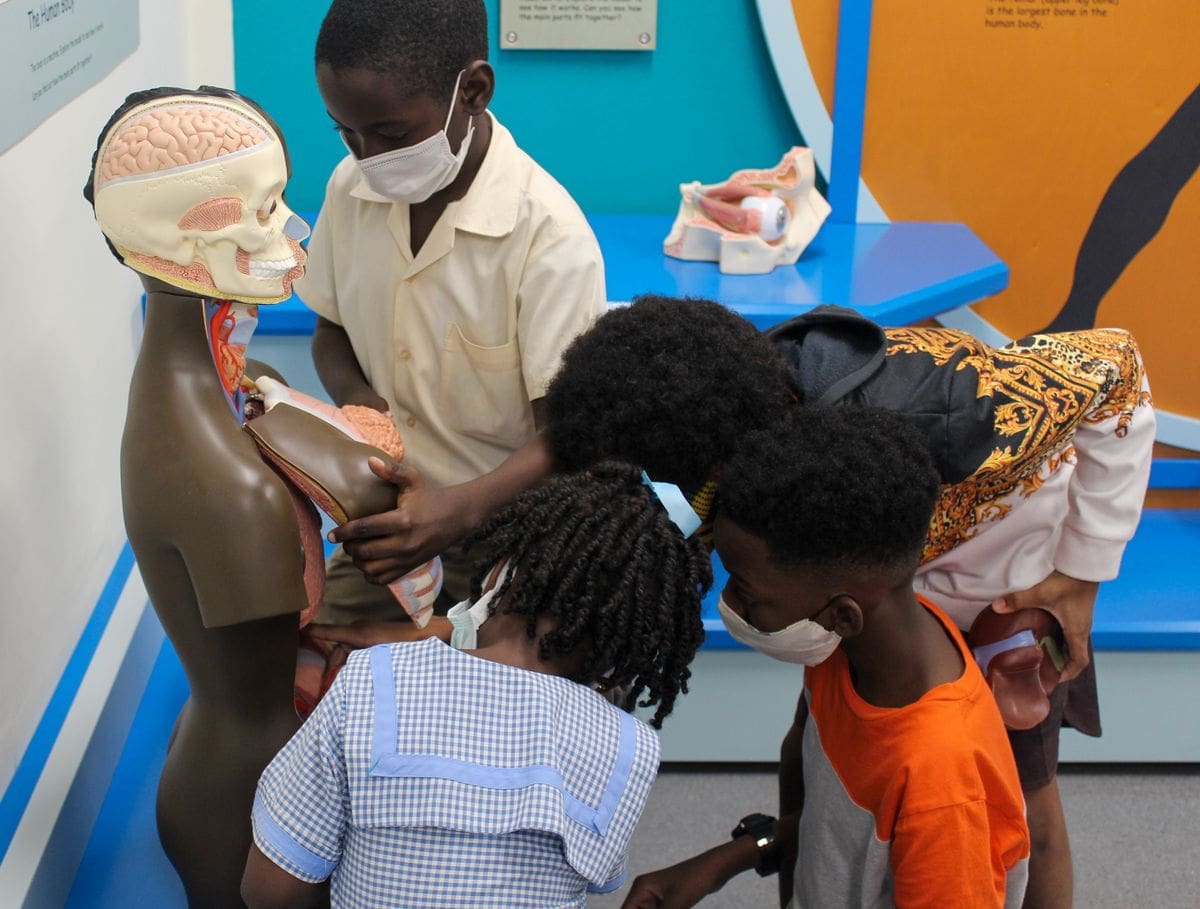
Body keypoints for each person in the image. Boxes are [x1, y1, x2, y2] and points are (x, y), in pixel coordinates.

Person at [545, 296, 1154, 908]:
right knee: (832, 759)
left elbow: (1118, 368)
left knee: (1017, 804)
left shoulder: (944, 402)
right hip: (880, 598)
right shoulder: (743, 468)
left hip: (1010, 588)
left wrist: (1084, 571)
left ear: (716, 458)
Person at [240, 463, 713, 909]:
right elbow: (598, 877)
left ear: (500, 569)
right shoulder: (630, 747)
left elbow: (269, 889)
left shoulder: (370, 680)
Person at [296, 0, 605, 623]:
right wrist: (364, 409)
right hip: (394, 521)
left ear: (474, 91)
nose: (368, 160)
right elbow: (331, 330)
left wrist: (454, 511)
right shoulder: (350, 189)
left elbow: (570, 441)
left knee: (490, 706)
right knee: (314, 670)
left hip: (515, 537)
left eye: (392, 133)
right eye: (346, 133)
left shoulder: (547, 237)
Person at [622, 407, 1030, 907]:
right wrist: (728, 860)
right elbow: (837, 821)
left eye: (746, 591)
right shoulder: (852, 649)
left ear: (843, 615)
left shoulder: (943, 780)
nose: (729, 603)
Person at [84, 86, 314, 905]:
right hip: (245, 811)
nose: (290, 230)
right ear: (162, 238)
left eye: (281, 199)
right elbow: (265, 692)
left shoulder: (190, 393)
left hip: (219, 759)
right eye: (256, 210)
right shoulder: (231, 489)